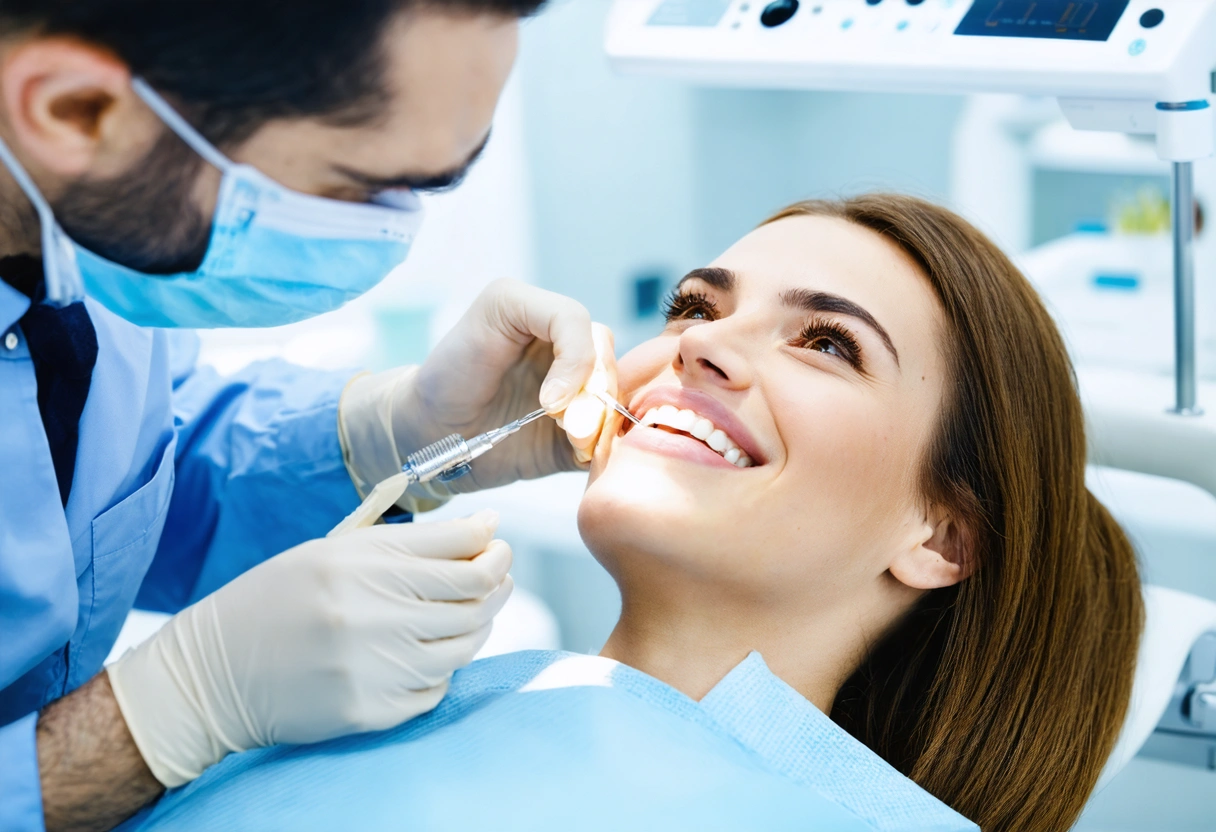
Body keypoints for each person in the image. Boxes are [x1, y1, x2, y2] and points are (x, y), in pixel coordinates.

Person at [117, 194, 1146, 832]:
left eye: (827, 343)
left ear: (943, 536)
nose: (697, 344)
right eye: (698, 307)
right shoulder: (381, 701)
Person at [0, 3, 625, 831]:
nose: (390, 232)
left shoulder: (85, 243)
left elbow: (102, 486)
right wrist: (151, 719)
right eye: (361, 187)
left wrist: (403, 433)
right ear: (76, 111)